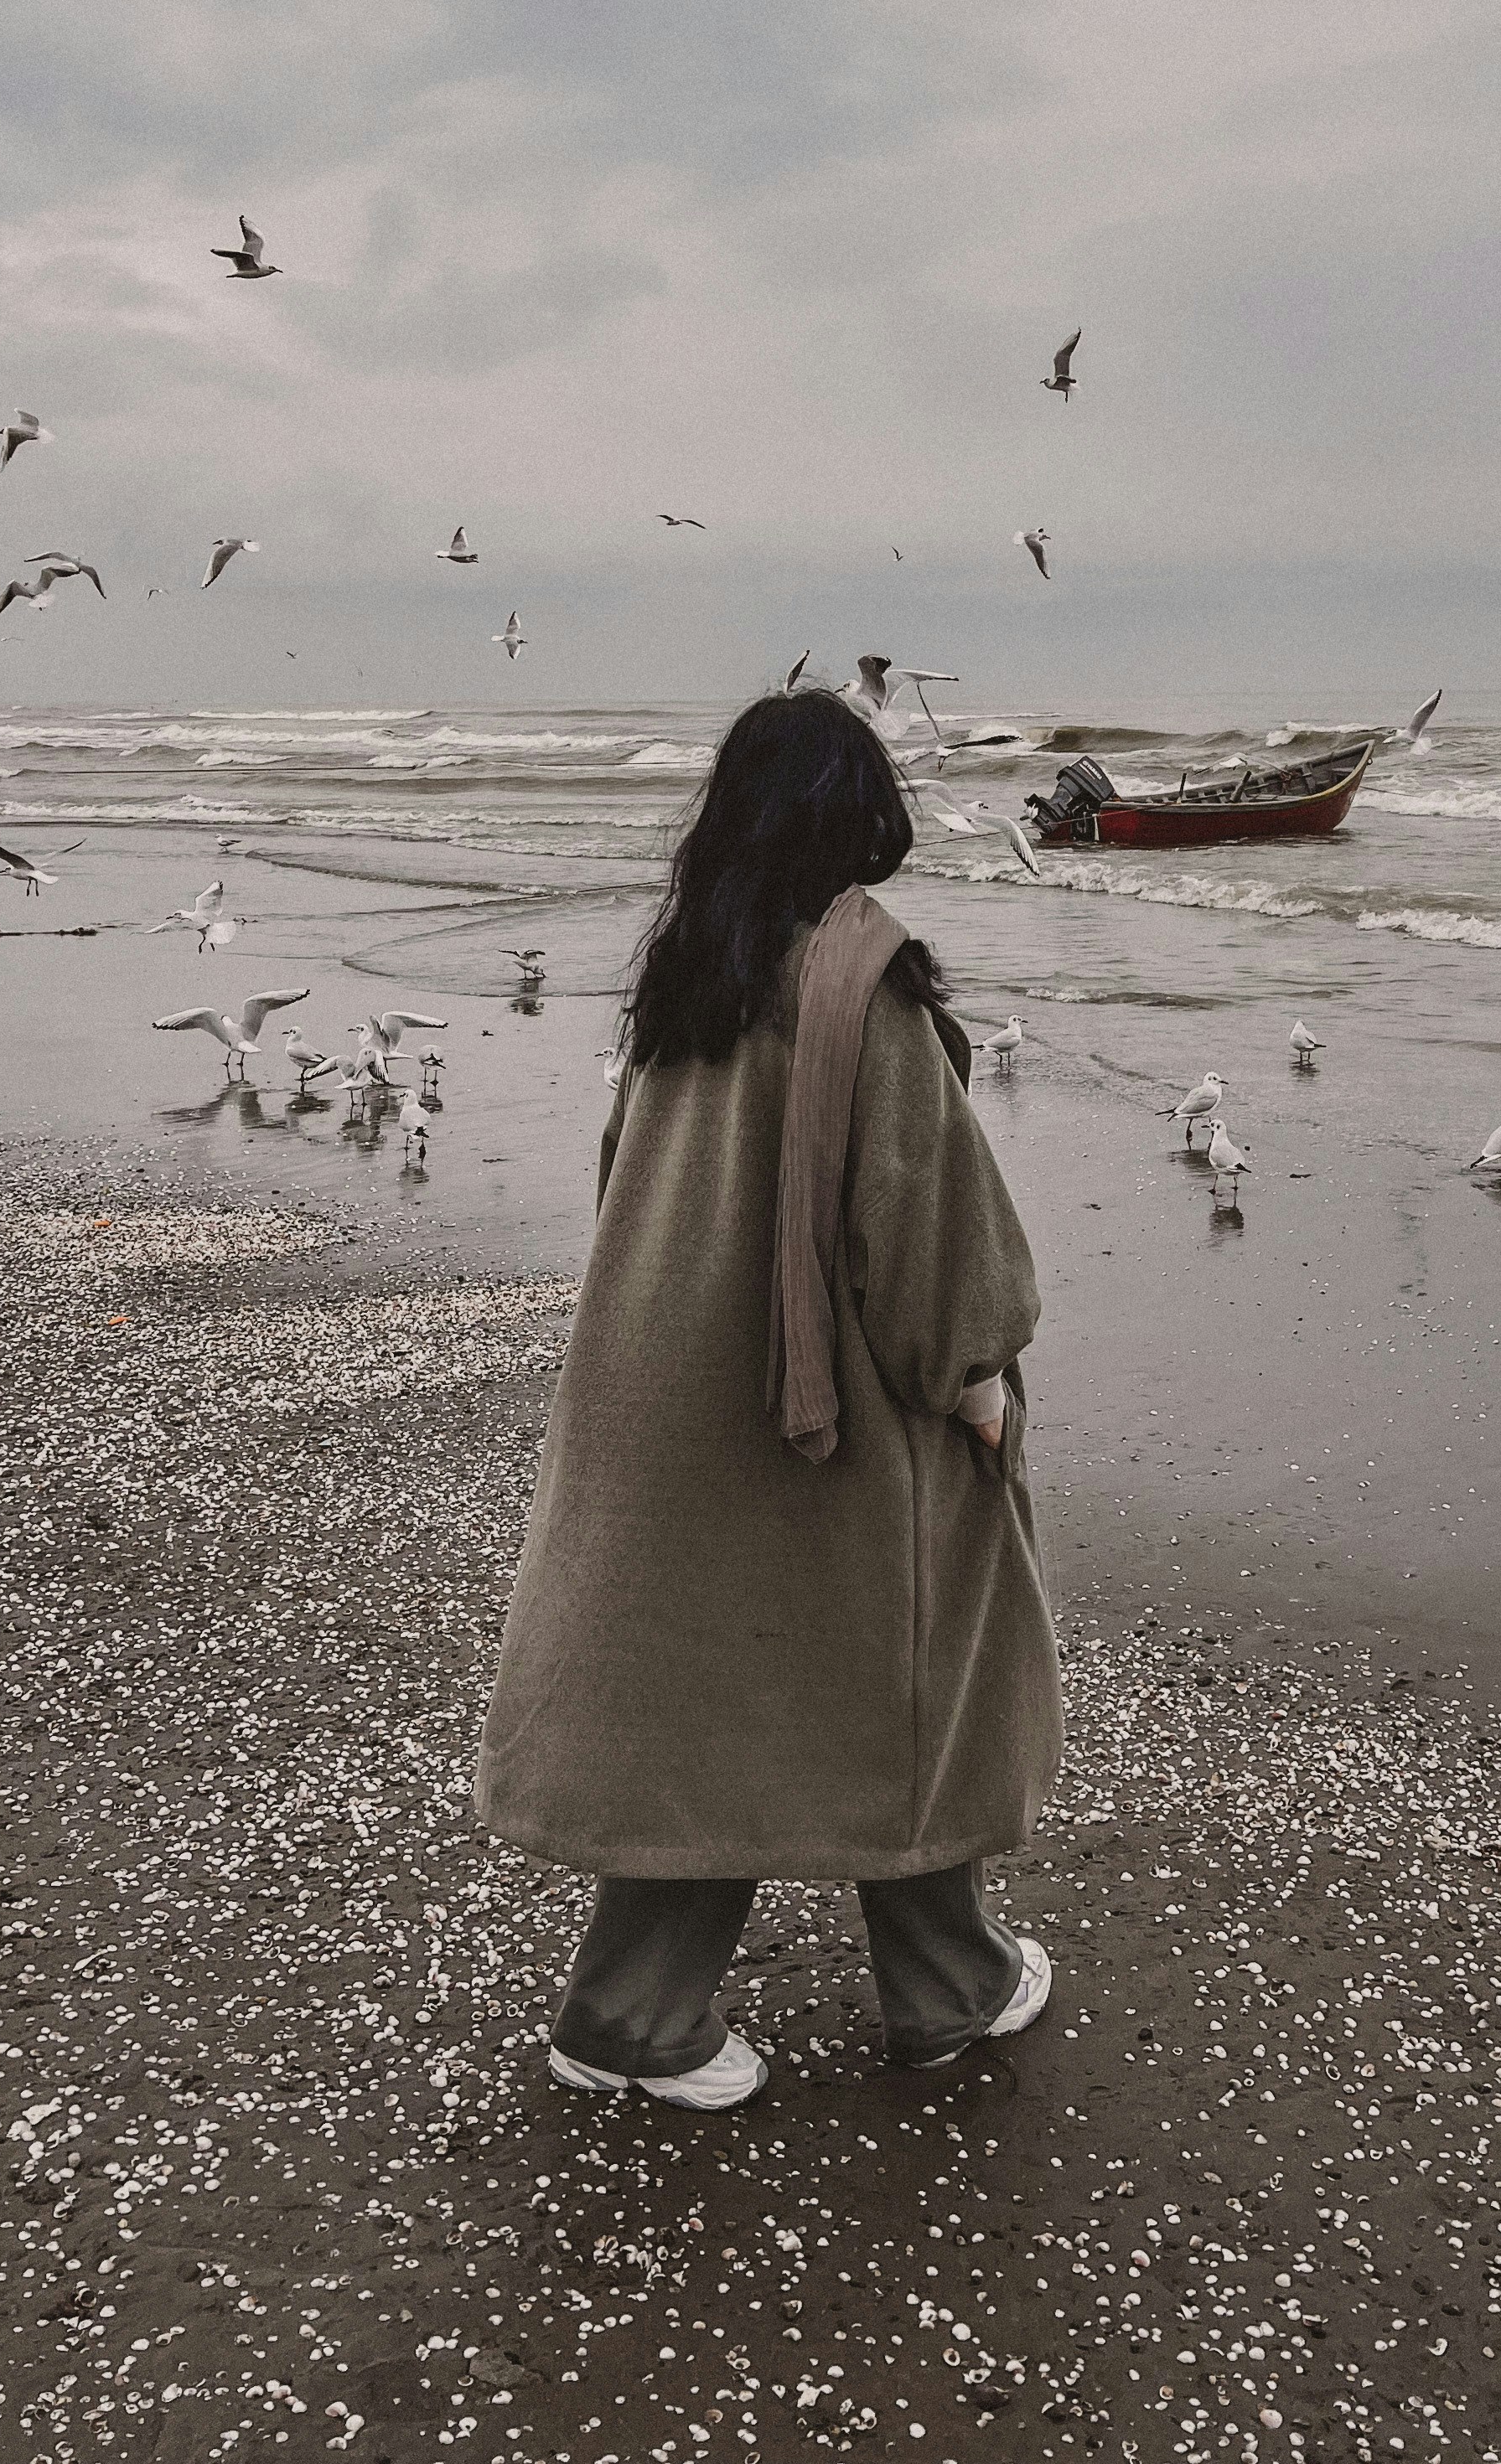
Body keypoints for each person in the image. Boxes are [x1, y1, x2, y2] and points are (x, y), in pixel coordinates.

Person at [474, 686, 1060, 2110]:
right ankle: (914, 1994)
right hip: (826, 1406)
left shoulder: (693, 974)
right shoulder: (871, 990)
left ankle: (821, 1993)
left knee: (721, 1691)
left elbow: (626, 1183)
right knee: (900, 1667)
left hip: (663, 1378)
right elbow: (927, 1243)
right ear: (855, 818)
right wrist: (976, 1382)